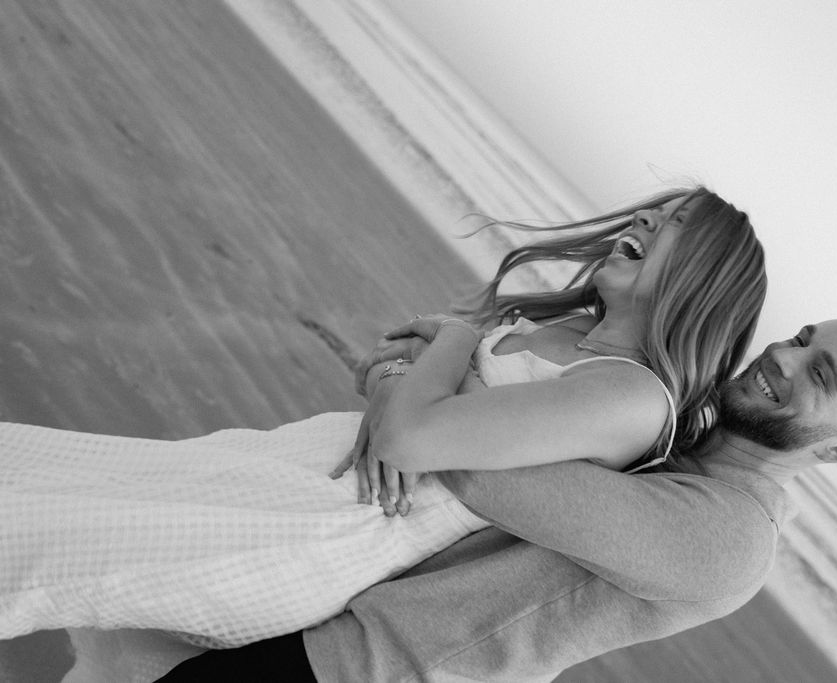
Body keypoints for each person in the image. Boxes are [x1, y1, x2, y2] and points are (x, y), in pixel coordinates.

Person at [0, 186, 767, 680]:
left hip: (323, 531)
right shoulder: (572, 331)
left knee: (45, 551)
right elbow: (386, 368)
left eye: (668, 229)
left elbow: (411, 438)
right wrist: (404, 383)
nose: (641, 221)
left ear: (701, 276)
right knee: (49, 491)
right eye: (652, 211)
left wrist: (456, 344)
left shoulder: (632, 397)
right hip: (291, 472)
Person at [160, 315, 837, 682]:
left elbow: (466, 460)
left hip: (362, 669)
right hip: (329, 616)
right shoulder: (683, 436)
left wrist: (444, 353)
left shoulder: (729, 538)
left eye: (820, 374)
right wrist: (409, 376)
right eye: (801, 338)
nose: (784, 357)